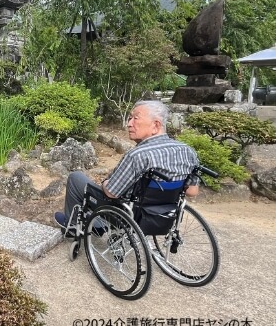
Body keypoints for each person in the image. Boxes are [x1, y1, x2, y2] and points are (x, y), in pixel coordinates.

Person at [54, 100, 200, 233]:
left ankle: (73, 225)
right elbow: (192, 191)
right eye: (130, 118)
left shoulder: (138, 155)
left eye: (135, 118)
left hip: (128, 214)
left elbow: (112, 193)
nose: (129, 123)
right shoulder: (188, 151)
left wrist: (105, 183)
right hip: (163, 214)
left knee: (75, 178)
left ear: (156, 125)